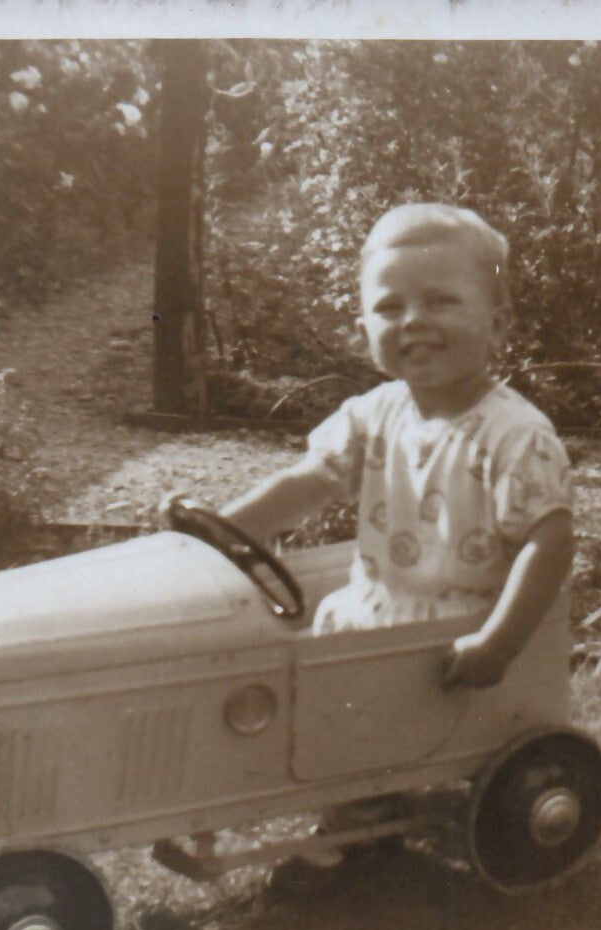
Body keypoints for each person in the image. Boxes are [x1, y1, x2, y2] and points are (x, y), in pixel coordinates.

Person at [161, 203, 575, 887]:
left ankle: (351, 825)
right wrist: (221, 537)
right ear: (365, 328)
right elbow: (308, 483)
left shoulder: (515, 436)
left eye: (441, 301)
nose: (413, 320)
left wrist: (499, 642)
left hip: (452, 627)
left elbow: (548, 543)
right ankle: (307, 785)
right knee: (293, 666)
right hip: (372, 609)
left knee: (347, 713)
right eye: (390, 307)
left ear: (498, 323)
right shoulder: (375, 413)